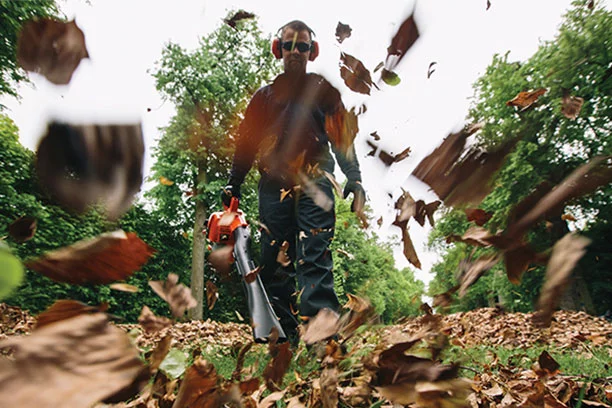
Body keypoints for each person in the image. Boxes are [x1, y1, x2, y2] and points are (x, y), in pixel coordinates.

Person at [221, 20, 365, 346]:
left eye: (302, 46)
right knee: (274, 262)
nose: (295, 51)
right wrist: (234, 183)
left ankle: (323, 341)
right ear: (278, 50)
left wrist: (354, 178)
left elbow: (342, 139)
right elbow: (245, 145)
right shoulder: (264, 98)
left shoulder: (324, 92)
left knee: (314, 256)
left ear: (311, 52)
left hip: (316, 181)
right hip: (273, 187)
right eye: (289, 45)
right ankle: (282, 342)